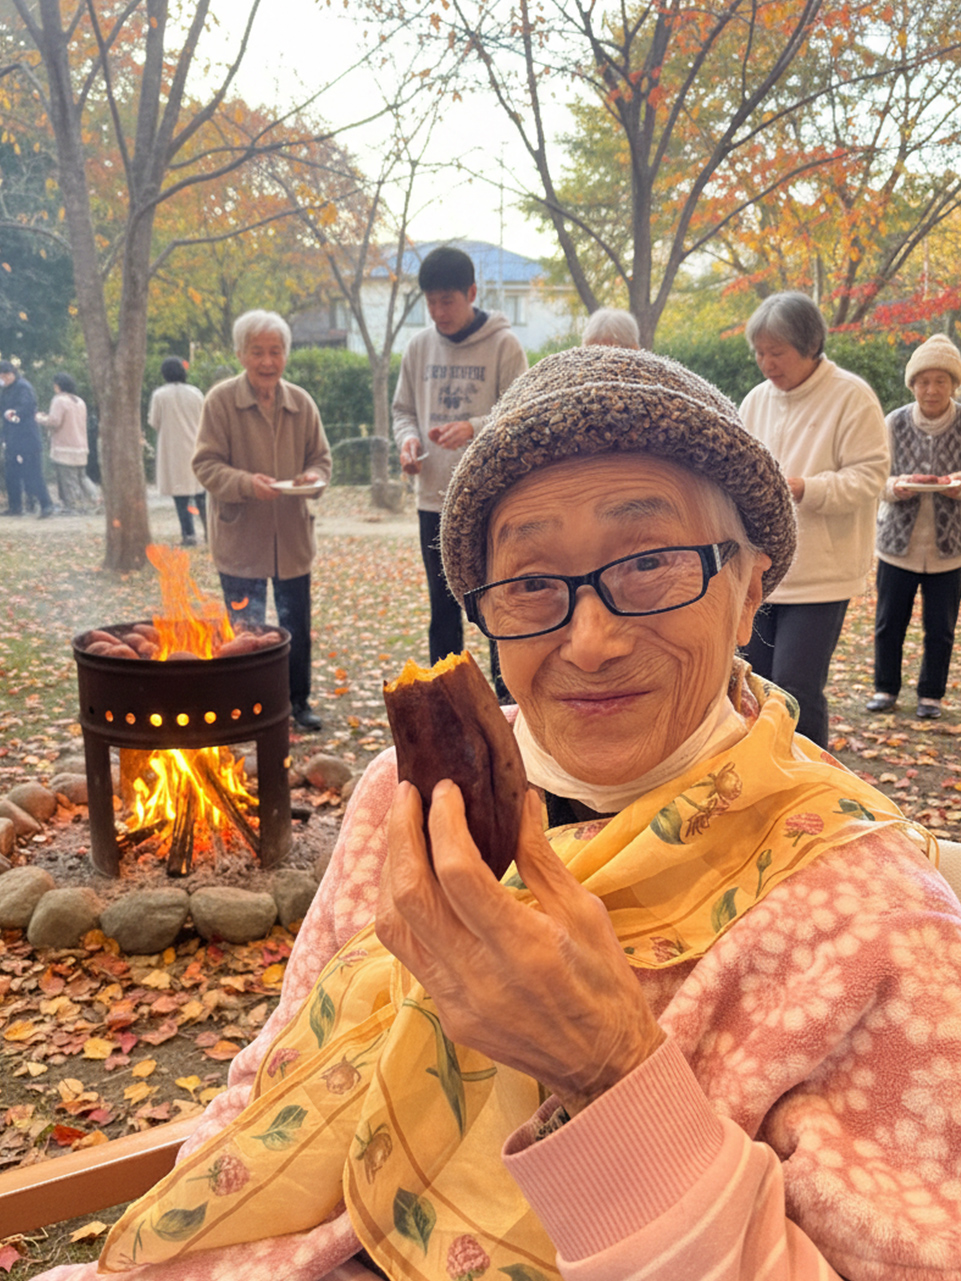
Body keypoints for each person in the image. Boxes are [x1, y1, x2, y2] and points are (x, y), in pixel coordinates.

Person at [46, 347, 961, 1281]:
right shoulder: (407, 802)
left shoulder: (879, 923)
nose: (590, 641)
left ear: (750, 588)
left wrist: (607, 1068)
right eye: (530, 583)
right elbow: (278, 1068)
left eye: (648, 562)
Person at [739, 291, 889, 746]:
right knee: (750, 683)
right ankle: (754, 772)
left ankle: (807, 785)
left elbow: (871, 476)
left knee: (795, 688)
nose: (767, 363)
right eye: (760, 353)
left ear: (809, 346)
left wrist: (807, 487)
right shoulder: (756, 401)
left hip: (822, 573)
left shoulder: (850, 396)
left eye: (777, 352)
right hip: (762, 571)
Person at [193, 310, 332, 733]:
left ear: (285, 355)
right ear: (241, 354)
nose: (268, 361)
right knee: (245, 629)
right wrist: (246, 483)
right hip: (240, 538)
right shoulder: (220, 401)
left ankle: (297, 702)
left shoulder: (300, 402)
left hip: (291, 539)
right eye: (258, 352)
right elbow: (205, 464)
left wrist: (313, 479)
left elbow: (321, 461)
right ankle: (246, 705)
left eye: (275, 351)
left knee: (295, 625)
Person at [392, 245, 528, 668]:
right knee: (442, 610)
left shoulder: (504, 345)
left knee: (498, 603)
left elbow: (521, 415)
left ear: (470, 293)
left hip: (490, 500)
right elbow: (403, 411)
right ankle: (448, 708)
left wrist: (473, 426)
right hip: (433, 498)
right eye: (430, 302)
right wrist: (408, 441)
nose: (437, 312)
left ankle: (509, 704)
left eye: (446, 301)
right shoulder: (418, 347)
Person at [867, 333, 961, 720]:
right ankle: (885, 688)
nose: (931, 389)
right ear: (913, 384)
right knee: (889, 623)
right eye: (924, 381)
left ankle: (931, 695)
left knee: (940, 628)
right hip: (896, 543)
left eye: (941, 380)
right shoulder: (894, 422)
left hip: (950, 547)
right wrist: (894, 487)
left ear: (953, 384)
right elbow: (874, 476)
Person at [149, 356, 207, 546]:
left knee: (180, 496)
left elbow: (154, 422)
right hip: (196, 447)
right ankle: (210, 532)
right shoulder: (196, 393)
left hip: (173, 450)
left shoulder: (159, 395)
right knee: (201, 494)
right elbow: (204, 419)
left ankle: (188, 534)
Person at [0, 359, 55, 519]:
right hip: (12, 438)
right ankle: (15, 506)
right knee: (12, 473)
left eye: (2, 377)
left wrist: (13, 412)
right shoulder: (6, 390)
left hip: (27, 437)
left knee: (34, 473)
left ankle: (46, 505)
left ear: (10, 374)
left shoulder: (23, 387)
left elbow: (28, 406)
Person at [36, 371, 95, 514]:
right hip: (81, 445)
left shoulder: (59, 400)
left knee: (67, 478)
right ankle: (92, 501)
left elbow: (54, 421)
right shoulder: (79, 401)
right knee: (81, 477)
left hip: (65, 446)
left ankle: (72, 506)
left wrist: (40, 418)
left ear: (58, 385)